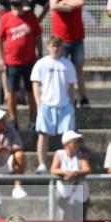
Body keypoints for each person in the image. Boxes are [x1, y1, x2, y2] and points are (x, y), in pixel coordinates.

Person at [32, 36, 77, 174]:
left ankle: (68, 164)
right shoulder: (41, 63)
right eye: (53, 46)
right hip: (46, 104)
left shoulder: (67, 64)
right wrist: (39, 104)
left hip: (64, 105)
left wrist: (72, 103)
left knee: (68, 136)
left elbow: (71, 86)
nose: (55, 49)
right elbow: (36, 84)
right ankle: (42, 164)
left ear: (62, 47)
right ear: (48, 47)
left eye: (58, 46)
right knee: (43, 135)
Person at [0, 0, 43, 126]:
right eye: (14, 4)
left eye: (19, 3)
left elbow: (38, 36)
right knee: (12, 92)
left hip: (29, 61)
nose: (16, 7)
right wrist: (1, 58)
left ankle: (33, 119)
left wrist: (39, 54)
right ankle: (13, 119)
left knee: (31, 92)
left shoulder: (31, 17)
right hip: (12, 62)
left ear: (24, 3)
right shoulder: (6, 18)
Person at [50, 0, 88, 107]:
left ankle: (83, 97)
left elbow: (80, 2)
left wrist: (66, 4)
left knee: (78, 69)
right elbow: (53, 5)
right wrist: (69, 5)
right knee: (61, 69)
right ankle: (64, 96)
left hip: (76, 38)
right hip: (61, 40)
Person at [50, 130, 91, 220]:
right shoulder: (59, 154)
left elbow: (87, 169)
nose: (78, 144)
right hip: (64, 196)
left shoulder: (82, 154)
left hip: (81, 196)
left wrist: (74, 173)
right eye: (75, 141)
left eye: (79, 141)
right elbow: (53, 169)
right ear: (66, 143)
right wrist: (66, 172)